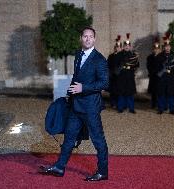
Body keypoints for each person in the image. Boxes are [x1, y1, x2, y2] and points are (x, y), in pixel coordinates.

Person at [39, 27, 109, 181]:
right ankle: (59, 167)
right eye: (85, 36)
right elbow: (76, 78)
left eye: (91, 37)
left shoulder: (100, 60)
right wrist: (69, 95)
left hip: (90, 107)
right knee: (69, 138)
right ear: (81, 38)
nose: (88, 39)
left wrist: (83, 88)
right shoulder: (78, 55)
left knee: (98, 140)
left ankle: (103, 171)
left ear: (94, 39)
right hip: (75, 105)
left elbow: (104, 83)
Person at [156, 34, 174, 115]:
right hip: (162, 77)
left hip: (171, 77)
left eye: (169, 46)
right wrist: (164, 68)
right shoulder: (159, 56)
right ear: (164, 47)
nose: (167, 48)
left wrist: (171, 68)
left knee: (171, 94)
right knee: (161, 94)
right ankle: (160, 109)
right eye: (166, 46)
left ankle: (172, 109)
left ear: (170, 47)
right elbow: (157, 66)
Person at [115, 33, 139, 113]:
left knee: (130, 93)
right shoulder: (119, 55)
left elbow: (137, 65)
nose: (127, 47)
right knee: (121, 93)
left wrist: (132, 67)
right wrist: (122, 64)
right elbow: (116, 64)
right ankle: (120, 108)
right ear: (124, 46)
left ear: (130, 46)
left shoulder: (133, 55)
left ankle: (131, 108)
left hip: (129, 75)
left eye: (128, 46)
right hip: (121, 75)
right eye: (125, 45)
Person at [107, 35, 122, 108]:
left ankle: (118, 103)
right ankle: (112, 103)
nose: (117, 48)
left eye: (118, 47)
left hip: (119, 75)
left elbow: (122, 65)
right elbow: (108, 65)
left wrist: (117, 71)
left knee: (118, 91)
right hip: (112, 75)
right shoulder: (111, 56)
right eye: (116, 47)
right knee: (112, 91)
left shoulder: (122, 55)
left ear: (120, 48)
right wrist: (109, 72)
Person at [147, 37, 161, 108]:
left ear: (159, 49)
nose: (156, 50)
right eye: (155, 48)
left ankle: (159, 104)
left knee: (159, 91)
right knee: (153, 91)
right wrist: (152, 72)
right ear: (153, 49)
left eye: (157, 49)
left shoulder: (162, 56)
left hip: (160, 76)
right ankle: (153, 104)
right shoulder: (149, 57)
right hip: (153, 75)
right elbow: (148, 66)